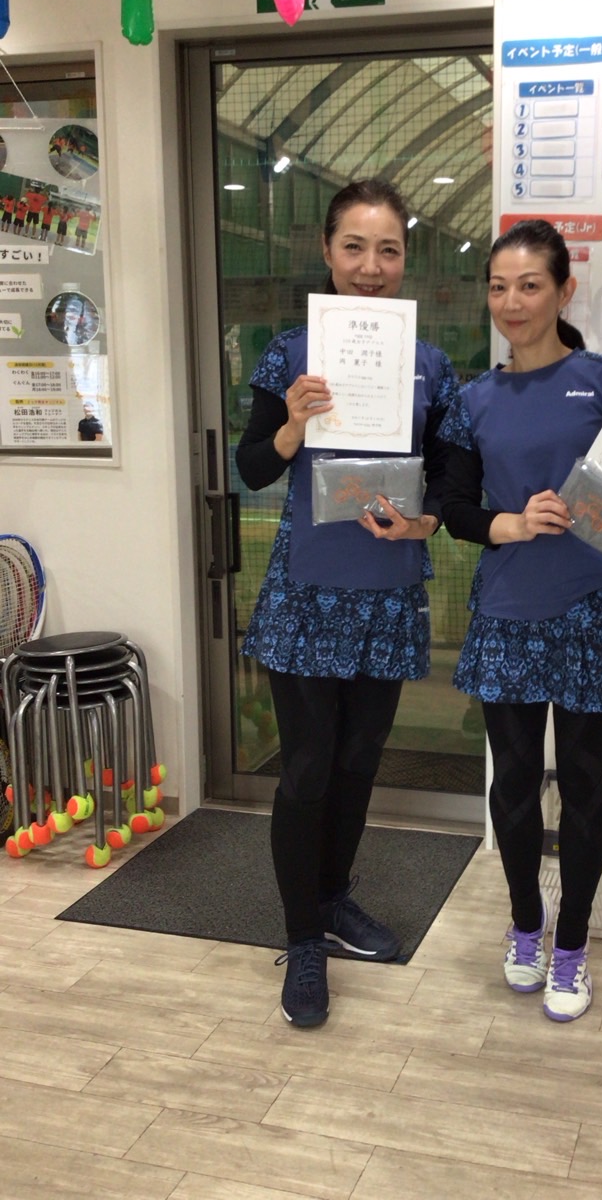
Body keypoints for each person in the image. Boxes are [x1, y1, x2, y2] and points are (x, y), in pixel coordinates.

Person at [235, 179, 458, 1029]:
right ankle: (302, 939)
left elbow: (450, 476)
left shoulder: (430, 365)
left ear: (406, 259)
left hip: (388, 593)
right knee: (307, 769)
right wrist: (292, 426)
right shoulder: (289, 354)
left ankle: (332, 899)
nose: (371, 266)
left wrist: (427, 519)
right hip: (307, 593)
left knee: (360, 762)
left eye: (388, 249)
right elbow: (251, 466)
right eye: (355, 247)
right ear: (328, 252)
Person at [439, 219, 602, 1023]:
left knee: (582, 783)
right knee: (511, 784)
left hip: (591, 610)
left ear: (564, 291)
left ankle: (572, 944)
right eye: (499, 287)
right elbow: (455, 508)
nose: (512, 302)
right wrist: (508, 521)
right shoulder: (472, 398)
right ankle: (524, 925)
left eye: (530, 285)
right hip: (507, 612)